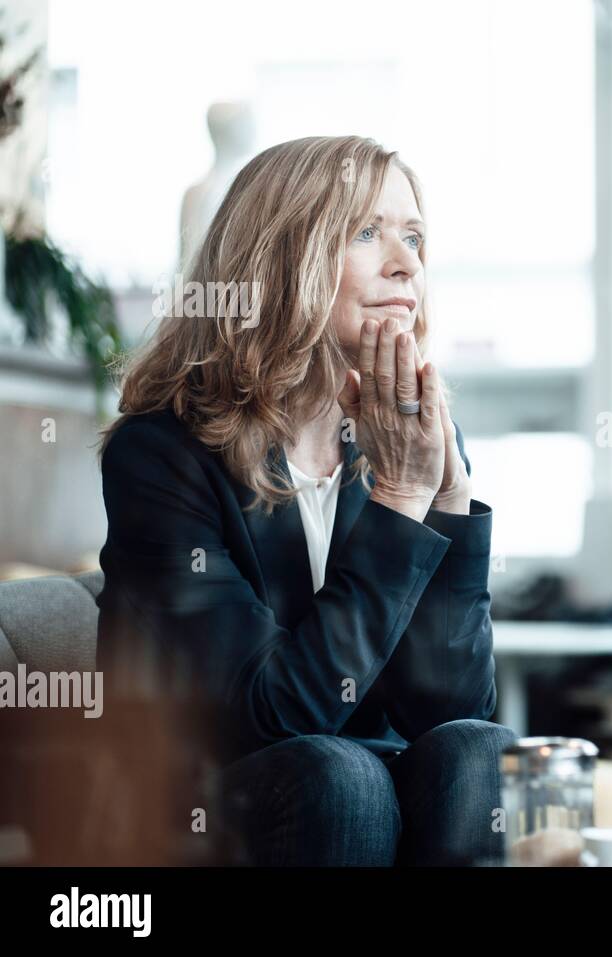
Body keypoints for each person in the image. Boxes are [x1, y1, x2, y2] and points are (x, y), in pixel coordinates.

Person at [96, 135, 516, 865]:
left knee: (485, 752)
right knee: (341, 775)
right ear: (281, 258)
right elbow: (269, 716)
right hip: (207, 805)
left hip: (359, 787)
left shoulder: (404, 445)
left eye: (414, 236)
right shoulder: (160, 455)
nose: (407, 263)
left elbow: (450, 714)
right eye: (366, 231)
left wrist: (448, 500)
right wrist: (402, 499)